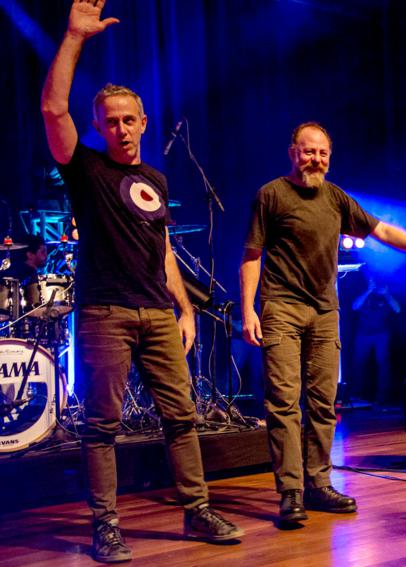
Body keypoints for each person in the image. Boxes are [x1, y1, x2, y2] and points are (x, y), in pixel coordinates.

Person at [41, 1, 242, 562]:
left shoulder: (154, 177)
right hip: (105, 312)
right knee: (102, 425)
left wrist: (184, 310)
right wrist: (76, 37)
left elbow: (165, 252)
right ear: (100, 126)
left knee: (182, 417)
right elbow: (53, 107)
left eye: (130, 119)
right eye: (112, 121)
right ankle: (105, 524)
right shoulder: (85, 168)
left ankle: (197, 511)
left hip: (158, 315)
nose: (122, 128)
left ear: (144, 122)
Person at [240, 121, 406, 525]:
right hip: (282, 308)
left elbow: (382, 230)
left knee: (324, 402)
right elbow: (252, 255)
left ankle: (318, 484)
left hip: (325, 311)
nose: (316, 159)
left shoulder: (336, 198)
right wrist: (249, 310)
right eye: (309, 152)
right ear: (293, 153)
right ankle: (290, 493)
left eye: (323, 153)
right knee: (285, 403)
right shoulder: (270, 195)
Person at [351, 275, 401, 408]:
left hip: (381, 333)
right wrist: (368, 291)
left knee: (383, 364)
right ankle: (358, 396)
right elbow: (354, 306)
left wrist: (387, 294)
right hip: (363, 333)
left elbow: (397, 309)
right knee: (359, 363)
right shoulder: (364, 292)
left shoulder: (386, 294)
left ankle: (382, 398)